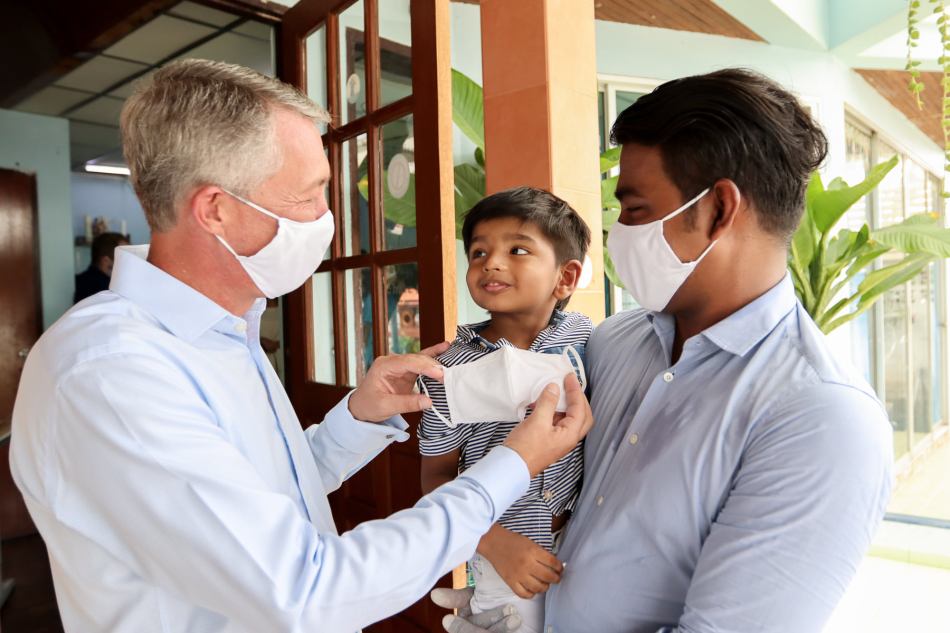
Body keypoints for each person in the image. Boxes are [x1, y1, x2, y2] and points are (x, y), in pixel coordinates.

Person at [9, 59, 593, 633]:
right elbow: (305, 590)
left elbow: (258, 496)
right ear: (216, 209)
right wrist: (513, 466)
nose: (326, 218)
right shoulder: (114, 374)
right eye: (308, 196)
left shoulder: (224, 332)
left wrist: (358, 419)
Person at [434, 68, 893, 633]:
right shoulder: (609, 343)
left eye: (635, 210)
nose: (619, 232)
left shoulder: (819, 417)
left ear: (719, 210)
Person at [419, 187, 592, 633]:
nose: (491, 263)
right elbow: (435, 479)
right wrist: (492, 543)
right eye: (478, 252)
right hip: (502, 557)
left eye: (517, 249)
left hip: (586, 543)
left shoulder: (590, 343)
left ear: (566, 278)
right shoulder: (448, 371)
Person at [74, 231, 129, 303]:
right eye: (125, 256)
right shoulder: (111, 290)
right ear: (106, 260)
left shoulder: (77, 281)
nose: (129, 260)